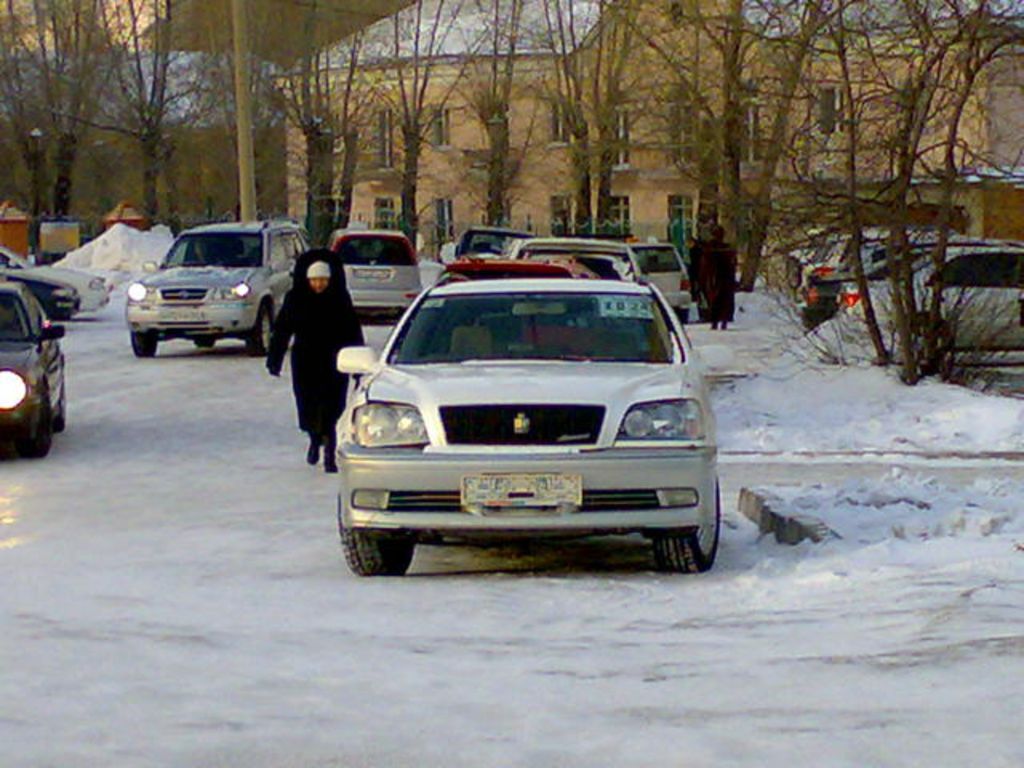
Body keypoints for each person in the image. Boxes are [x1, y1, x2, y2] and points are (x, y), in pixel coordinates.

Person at [266, 249, 364, 473]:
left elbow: (352, 331)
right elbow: (283, 329)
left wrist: (357, 365)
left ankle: (330, 450)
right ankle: (314, 439)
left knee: (332, 406)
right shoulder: (296, 298)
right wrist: (275, 358)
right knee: (309, 405)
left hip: (334, 361)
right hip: (306, 361)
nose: (319, 285)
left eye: (323, 280)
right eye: (315, 280)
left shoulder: (340, 299)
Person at [696, 224, 738, 330]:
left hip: (717, 278)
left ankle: (717, 321)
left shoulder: (712, 249)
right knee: (722, 300)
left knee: (717, 299)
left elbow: (705, 266)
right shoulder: (724, 249)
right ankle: (720, 321)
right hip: (723, 279)